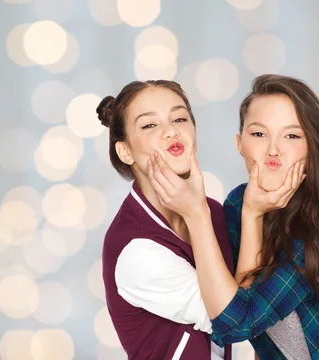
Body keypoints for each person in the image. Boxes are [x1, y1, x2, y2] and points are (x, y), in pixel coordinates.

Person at [148, 74, 319, 359]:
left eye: (291, 135)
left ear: (312, 145)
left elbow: (237, 323)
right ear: (239, 143)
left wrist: (198, 214)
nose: (273, 150)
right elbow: (245, 311)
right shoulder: (238, 204)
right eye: (259, 134)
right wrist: (252, 214)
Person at [97, 80, 234, 360]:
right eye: (150, 125)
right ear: (126, 152)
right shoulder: (135, 249)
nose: (171, 131)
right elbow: (233, 319)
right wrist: (253, 212)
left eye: (179, 118)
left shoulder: (212, 212)